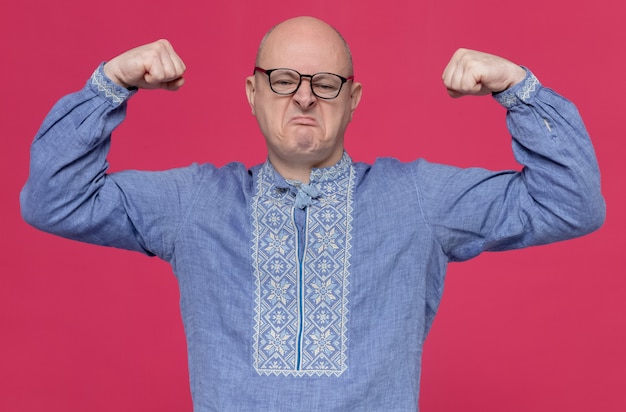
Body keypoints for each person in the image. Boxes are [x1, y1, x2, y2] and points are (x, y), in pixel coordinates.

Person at [20, 15, 605, 412]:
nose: (304, 96)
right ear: (253, 94)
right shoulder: (195, 203)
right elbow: (53, 199)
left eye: (325, 82)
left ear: (352, 99)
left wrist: (517, 87)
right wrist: (111, 84)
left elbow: (572, 203)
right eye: (283, 80)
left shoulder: (416, 199)